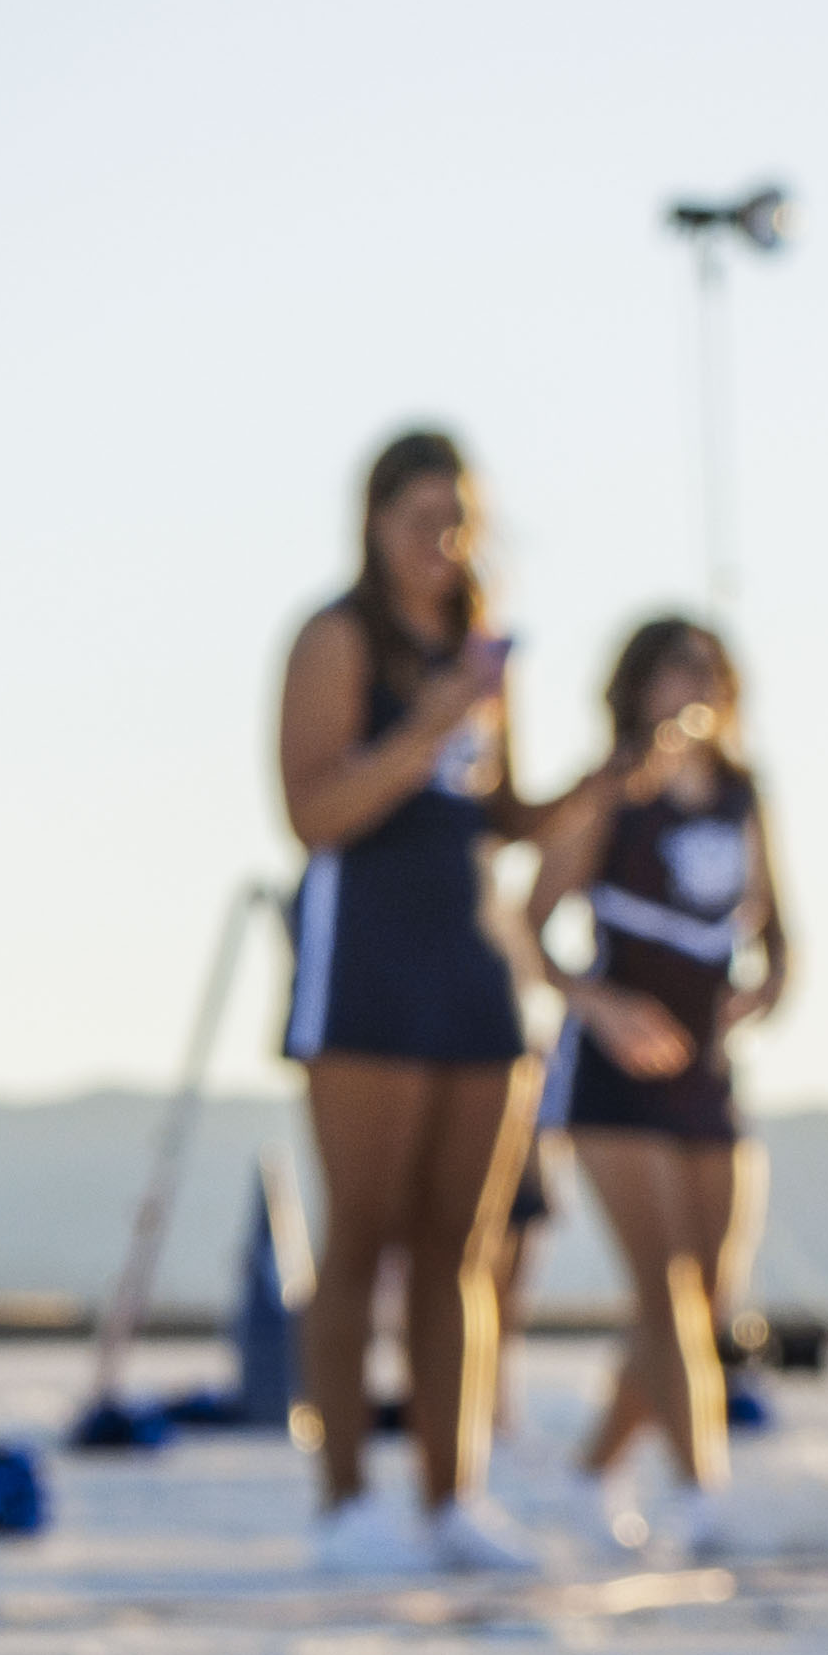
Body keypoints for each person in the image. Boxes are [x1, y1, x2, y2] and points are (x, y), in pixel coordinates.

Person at [276, 431, 557, 1576]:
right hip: (365, 955)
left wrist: (600, 788)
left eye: (459, 519)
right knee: (361, 1235)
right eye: (420, 517)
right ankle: (344, 1497)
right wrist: (434, 718)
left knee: (463, 1243)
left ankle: (454, 1495)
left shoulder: (480, 651)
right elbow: (313, 808)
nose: (441, 542)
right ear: (374, 520)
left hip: (469, 954)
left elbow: (500, 814)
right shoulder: (334, 637)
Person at [537, 615, 785, 1556]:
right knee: (664, 1287)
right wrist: (597, 1007)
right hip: (614, 1072)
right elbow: (529, 926)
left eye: (709, 674)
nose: (692, 690)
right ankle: (703, 1494)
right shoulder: (612, 795)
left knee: (707, 1295)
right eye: (673, 672)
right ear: (635, 688)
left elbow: (782, 927)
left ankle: (594, 1469)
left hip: (706, 1072)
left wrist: (766, 986)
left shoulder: (743, 795)